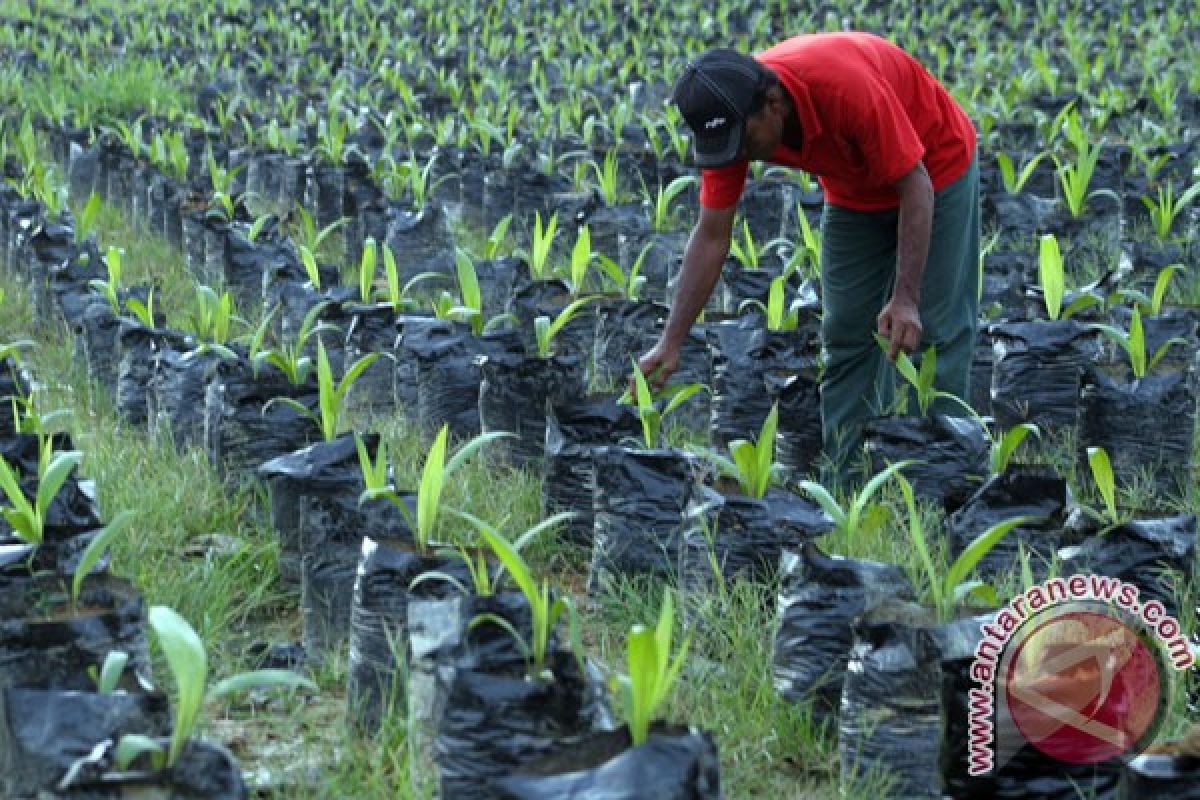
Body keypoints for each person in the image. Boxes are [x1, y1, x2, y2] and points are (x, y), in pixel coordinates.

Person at [634, 31, 980, 484]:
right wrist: (672, 340)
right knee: (847, 332)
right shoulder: (732, 118)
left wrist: (906, 297)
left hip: (935, 168)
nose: (737, 156)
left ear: (774, 104)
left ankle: (941, 485)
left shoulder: (843, 86)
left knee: (935, 331)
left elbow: (914, 184)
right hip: (854, 190)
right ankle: (849, 483)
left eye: (743, 141)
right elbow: (712, 235)